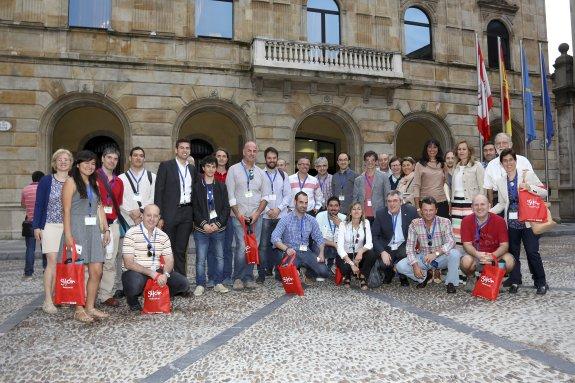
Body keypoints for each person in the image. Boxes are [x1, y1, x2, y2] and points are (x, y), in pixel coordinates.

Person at [490, 149, 549, 294]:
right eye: (505, 161)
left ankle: (540, 281)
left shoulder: (526, 174)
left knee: (532, 252)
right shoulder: (500, 181)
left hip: (528, 221)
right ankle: (515, 280)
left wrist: (529, 187)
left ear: (515, 161)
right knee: (513, 253)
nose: (508, 163)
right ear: (501, 163)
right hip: (511, 224)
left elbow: (544, 192)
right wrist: (488, 212)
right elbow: (503, 203)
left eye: (510, 160)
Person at [61, 150, 111, 322]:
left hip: (93, 230)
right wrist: (68, 236)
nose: (90, 166)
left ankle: (90, 306)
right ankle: (79, 308)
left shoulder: (94, 182)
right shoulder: (70, 182)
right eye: (86, 162)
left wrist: (106, 229)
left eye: (93, 163)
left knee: (97, 270)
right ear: (78, 164)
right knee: (79, 271)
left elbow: (99, 207)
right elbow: (66, 211)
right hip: (77, 229)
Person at [122, 205, 190, 311]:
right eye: (148, 215)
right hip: (138, 271)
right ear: (142, 216)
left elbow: (169, 261)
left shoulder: (163, 236)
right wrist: (152, 274)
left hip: (157, 271)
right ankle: (132, 300)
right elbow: (128, 263)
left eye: (155, 216)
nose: (152, 219)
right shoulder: (131, 233)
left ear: (159, 218)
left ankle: (156, 293)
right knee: (134, 283)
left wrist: (165, 275)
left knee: (183, 284)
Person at [226, 141, 271, 290]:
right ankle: (237, 277)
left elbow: (266, 196)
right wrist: (238, 214)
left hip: (256, 217)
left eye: (254, 151)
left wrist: (257, 214)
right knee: (241, 247)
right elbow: (230, 195)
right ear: (243, 152)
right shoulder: (233, 170)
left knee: (253, 247)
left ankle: (249, 277)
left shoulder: (261, 173)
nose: (252, 153)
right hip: (239, 217)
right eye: (249, 150)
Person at [33, 149, 73, 314]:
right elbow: (39, 204)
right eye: (60, 159)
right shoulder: (46, 180)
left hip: (68, 227)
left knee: (65, 263)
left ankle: (60, 296)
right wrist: (36, 226)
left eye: (66, 159)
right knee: (52, 262)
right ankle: (48, 300)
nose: (63, 162)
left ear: (71, 163)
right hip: (50, 225)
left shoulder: (74, 180)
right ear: (54, 163)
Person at [396, 197, 462, 294]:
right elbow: (410, 248)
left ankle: (451, 282)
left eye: (431, 210)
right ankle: (425, 277)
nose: (428, 213)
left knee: (455, 253)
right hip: (424, 257)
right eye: (425, 210)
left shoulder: (445, 222)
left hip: (441, 257)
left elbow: (451, 242)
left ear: (436, 210)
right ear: (421, 211)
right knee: (400, 266)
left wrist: (436, 253)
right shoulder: (415, 224)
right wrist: (415, 265)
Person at [155, 138, 198, 277]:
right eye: (182, 148)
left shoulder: (192, 168)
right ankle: (167, 282)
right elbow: (159, 191)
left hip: (187, 212)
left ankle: (180, 283)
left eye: (187, 148)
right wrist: (159, 216)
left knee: (181, 250)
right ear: (176, 150)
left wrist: (194, 216)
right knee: (168, 250)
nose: (185, 150)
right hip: (170, 213)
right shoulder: (166, 166)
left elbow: (195, 193)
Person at [271, 192, 330, 283]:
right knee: (285, 277)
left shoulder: (312, 220)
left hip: (306, 252)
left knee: (324, 272)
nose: (304, 205)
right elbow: (274, 237)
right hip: (292, 253)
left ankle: (306, 272)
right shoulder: (285, 219)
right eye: (301, 202)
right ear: (295, 202)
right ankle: (294, 270)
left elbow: (319, 238)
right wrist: (286, 249)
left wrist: (321, 253)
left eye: (306, 203)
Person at [192, 156, 230, 295]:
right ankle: (200, 284)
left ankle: (218, 282)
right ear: (203, 168)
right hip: (201, 229)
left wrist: (218, 223)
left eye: (213, 166)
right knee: (201, 258)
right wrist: (204, 224)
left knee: (219, 257)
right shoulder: (196, 187)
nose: (211, 169)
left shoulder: (221, 186)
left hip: (218, 228)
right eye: (208, 166)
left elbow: (226, 207)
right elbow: (195, 208)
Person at [460, 194, 515, 292]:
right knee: (465, 262)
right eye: (476, 205)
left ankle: (498, 279)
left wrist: (492, 256)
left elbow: (504, 245)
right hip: (475, 256)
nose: (479, 208)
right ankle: (471, 278)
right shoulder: (466, 221)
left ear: (489, 206)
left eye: (482, 204)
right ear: (472, 207)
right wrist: (478, 254)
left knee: (509, 261)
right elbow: (466, 244)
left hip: (494, 256)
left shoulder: (500, 221)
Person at [95, 147, 124, 308]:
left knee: (110, 261)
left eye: (115, 159)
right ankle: (87, 294)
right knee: (91, 260)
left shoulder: (119, 182)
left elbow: (117, 203)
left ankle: (105, 294)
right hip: (94, 224)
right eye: (109, 158)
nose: (112, 161)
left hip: (112, 224)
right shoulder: (93, 177)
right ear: (102, 158)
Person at [372, 190, 419, 286]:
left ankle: (403, 276)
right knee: (382, 264)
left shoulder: (411, 211)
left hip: (403, 244)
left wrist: (419, 245)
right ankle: (389, 273)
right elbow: (374, 236)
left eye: (395, 201)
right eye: (389, 201)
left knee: (404, 253)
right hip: (387, 246)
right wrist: (382, 252)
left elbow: (420, 229)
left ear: (401, 202)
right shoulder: (381, 213)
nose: (392, 204)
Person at [258, 147, 291, 283]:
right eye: (269, 158)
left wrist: (278, 208)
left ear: (277, 159)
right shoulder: (259, 174)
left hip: (281, 216)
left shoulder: (283, 175)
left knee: (280, 245)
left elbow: (288, 195)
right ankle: (261, 274)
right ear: (265, 159)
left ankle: (279, 272)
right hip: (265, 216)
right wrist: (267, 210)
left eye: (274, 158)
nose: (272, 160)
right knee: (263, 246)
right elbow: (258, 194)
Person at [450, 140, 485, 245]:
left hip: (470, 203)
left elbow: (482, 187)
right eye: (459, 149)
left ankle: (473, 257)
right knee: (457, 233)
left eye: (464, 149)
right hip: (456, 203)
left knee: (471, 232)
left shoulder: (477, 165)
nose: (461, 151)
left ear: (469, 151)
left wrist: (481, 205)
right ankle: (461, 258)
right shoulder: (455, 167)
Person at [335, 202, 376, 290]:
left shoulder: (366, 223)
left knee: (372, 254)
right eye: (354, 209)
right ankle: (347, 275)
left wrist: (361, 252)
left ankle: (362, 276)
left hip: (359, 255)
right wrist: (352, 264)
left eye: (359, 209)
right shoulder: (343, 225)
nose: (356, 211)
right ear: (350, 212)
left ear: (362, 212)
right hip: (346, 255)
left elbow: (369, 243)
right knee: (345, 267)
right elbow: (340, 248)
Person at [484, 133, 533, 206]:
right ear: (495, 146)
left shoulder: (523, 160)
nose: (501, 146)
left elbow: (531, 181)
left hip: (521, 198)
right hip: (497, 200)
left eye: (504, 143)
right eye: (498, 143)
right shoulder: (491, 164)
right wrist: (491, 205)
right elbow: (489, 188)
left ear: (510, 144)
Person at [212, 148, 235, 286]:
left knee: (227, 247)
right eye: (218, 156)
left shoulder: (231, 174)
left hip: (229, 215)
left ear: (227, 159)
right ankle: (213, 276)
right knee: (212, 248)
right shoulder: (210, 173)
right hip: (212, 216)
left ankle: (227, 275)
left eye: (224, 156)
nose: (221, 158)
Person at [119, 146, 156, 228]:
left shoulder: (152, 177)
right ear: (130, 158)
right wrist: (131, 213)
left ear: (144, 159)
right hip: (127, 219)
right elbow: (119, 198)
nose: (138, 158)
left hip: (146, 219)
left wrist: (141, 210)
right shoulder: (120, 178)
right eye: (135, 155)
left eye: (141, 156)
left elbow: (153, 197)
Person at [412, 139, 450, 218]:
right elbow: (416, 186)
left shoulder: (443, 164)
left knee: (441, 229)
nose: (432, 150)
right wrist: (418, 208)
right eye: (430, 147)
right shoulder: (419, 164)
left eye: (435, 147)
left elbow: (445, 183)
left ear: (438, 149)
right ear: (426, 149)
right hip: (425, 204)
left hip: (442, 203)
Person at [353, 151, 391, 223]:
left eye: (372, 160)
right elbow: (355, 199)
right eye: (367, 160)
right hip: (363, 215)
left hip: (379, 214)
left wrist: (387, 213)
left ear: (376, 162)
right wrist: (355, 214)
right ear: (364, 162)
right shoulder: (358, 180)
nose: (370, 162)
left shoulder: (384, 177)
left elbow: (387, 196)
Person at [21, 171, 45, 279]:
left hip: (30, 222)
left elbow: (23, 204)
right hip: (42, 223)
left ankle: (28, 274)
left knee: (30, 249)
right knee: (45, 248)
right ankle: (46, 269)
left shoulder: (25, 189)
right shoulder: (44, 189)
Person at [315, 196, 346, 272]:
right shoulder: (320, 216)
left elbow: (347, 238)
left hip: (339, 246)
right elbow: (317, 237)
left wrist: (340, 225)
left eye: (336, 206)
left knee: (344, 270)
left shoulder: (344, 218)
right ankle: (322, 266)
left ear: (339, 207)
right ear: (327, 207)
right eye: (331, 205)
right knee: (322, 272)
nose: (333, 208)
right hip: (323, 245)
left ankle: (335, 264)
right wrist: (334, 244)